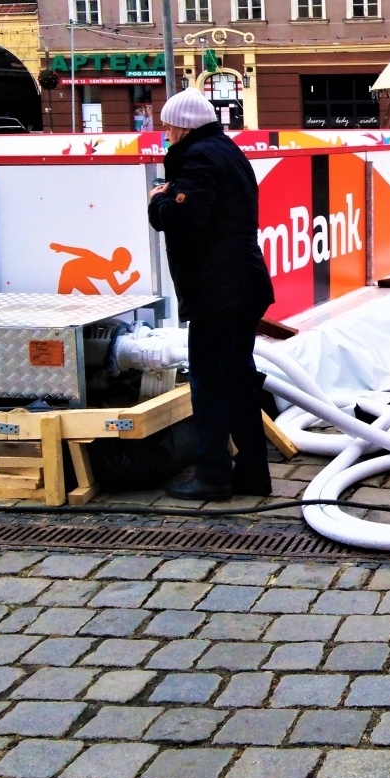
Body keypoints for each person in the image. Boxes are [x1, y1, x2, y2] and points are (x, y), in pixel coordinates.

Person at [148, 88, 274, 499]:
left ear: (183, 126)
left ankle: (213, 476)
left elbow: (187, 217)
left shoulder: (198, 157)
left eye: (168, 126)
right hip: (243, 284)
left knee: (209, 383)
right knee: (238, 380)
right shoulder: (227, 151)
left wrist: (157, 202)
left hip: (218, 290)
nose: (165, 134)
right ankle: (253, 473)